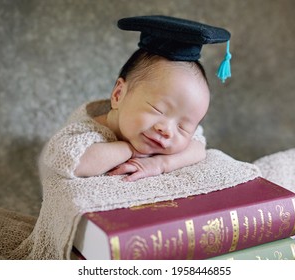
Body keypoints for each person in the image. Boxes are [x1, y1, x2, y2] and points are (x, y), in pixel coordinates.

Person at [40, 15, 231, 182]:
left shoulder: (166, 141)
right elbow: (72, 160)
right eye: (158, 110)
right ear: (118, 95)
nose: (167, 130)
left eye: (184, 127)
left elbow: (198, 148)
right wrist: (129, 150)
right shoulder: (90, 131)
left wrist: (160, 163)